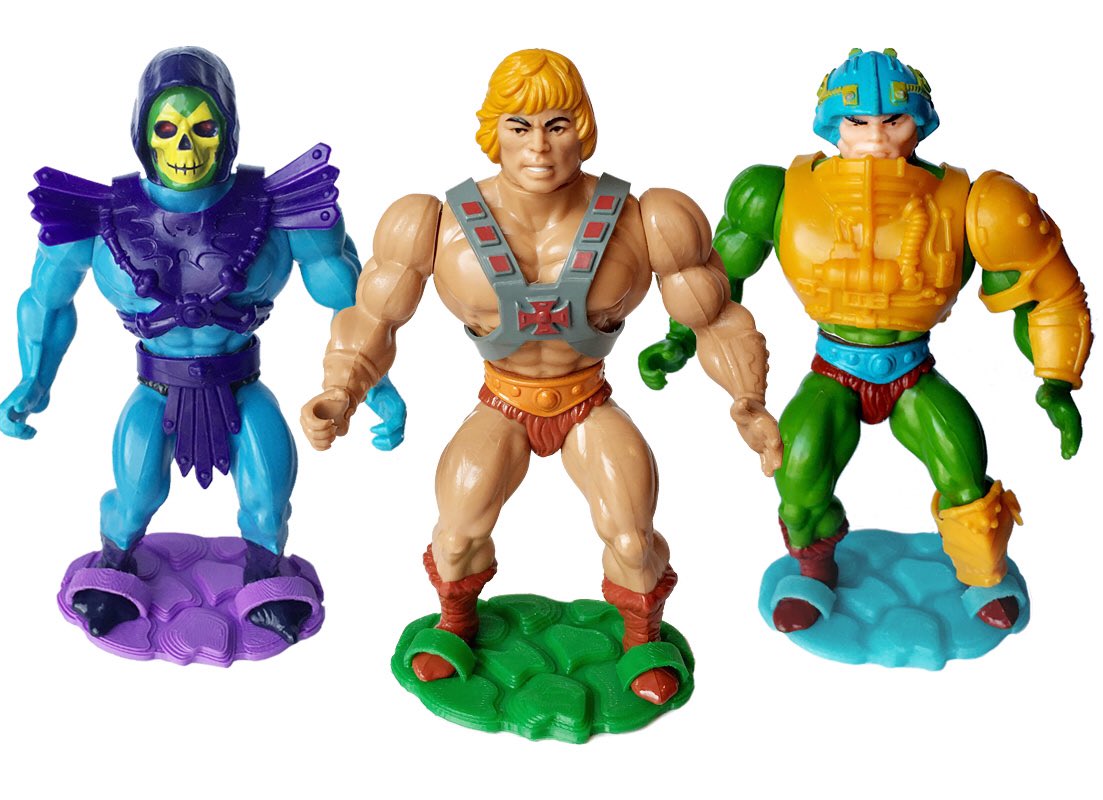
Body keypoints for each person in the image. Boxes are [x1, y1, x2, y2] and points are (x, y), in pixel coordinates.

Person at [301, 49, 781, 704]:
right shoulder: (431, 223)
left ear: (583, 128)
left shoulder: (650, 218)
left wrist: (749, 401)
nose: (539, 147)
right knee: (456, 532)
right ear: (493, 131)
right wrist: (340, 392)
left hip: (588, 398)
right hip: (502, 398)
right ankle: (455, 624)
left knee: (632, 537)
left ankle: (642, 638)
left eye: (557, 125)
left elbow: (714, 317)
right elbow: (372, 317)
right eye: (520, 127)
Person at [639, 48, 1091, 635]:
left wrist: (1057, 380)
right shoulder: (776, 193)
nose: (876, 138)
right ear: (832, 125)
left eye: (893, 120)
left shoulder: (975, 203)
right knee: (798, 474)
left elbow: (1044, 292)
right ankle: (812, 572)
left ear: (920, 122)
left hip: (912, 368)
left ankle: (983, 575)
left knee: (964, 470)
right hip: (834, 367)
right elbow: (713, 278)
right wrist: (680, 336)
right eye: (857, 122)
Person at [0, 46, 405, 645]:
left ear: (228, 130)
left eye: (203, 127)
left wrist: (377, 387)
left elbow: (353, 304)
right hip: (155, 387)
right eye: (167, 129)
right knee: (135, 497)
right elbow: (45, 301)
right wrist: (32, 380)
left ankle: (266, 579)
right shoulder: (98, 222)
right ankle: (112, 566)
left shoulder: (279, 212)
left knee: (268, 500)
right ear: (143, 135)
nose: (185, 146)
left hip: (240, 385)